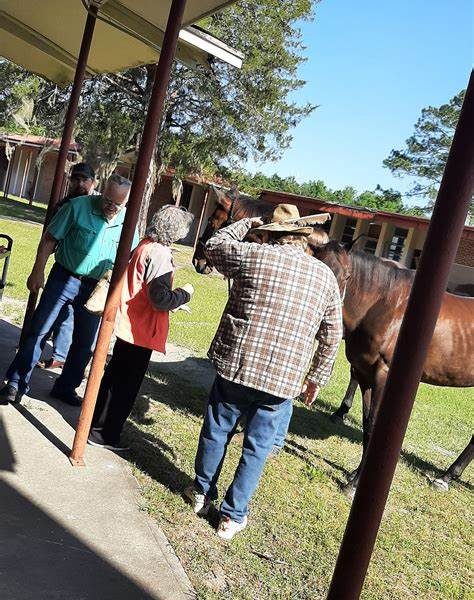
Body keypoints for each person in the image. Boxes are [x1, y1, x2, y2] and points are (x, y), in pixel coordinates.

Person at [184, 208, 343, 540]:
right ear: (302, 239)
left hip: (236, 366)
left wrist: (246, 223)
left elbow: (214, 244)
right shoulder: (324, 276)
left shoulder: (251, 255)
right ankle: (231, 516)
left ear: (271, 234)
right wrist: (316, 378)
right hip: (283, 380)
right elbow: (331, 334)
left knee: (217, 432)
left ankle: (201, 492)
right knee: (257, 447)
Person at [0, 174, 137, 407]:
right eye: (108, 200)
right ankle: (16, 382)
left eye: (117, 204)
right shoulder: (77, 207)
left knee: (86, 343)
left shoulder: (127, 222)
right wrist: (38, 270)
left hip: (95, 288)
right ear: (102, 192)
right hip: (64, 277)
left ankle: (66, 387)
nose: (111, 207)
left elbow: (128, 258)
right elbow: (49, 240)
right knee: (39, 329)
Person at [87, 205, 195, 450]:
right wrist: (184, 295)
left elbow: (145, 289)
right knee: (125, 385)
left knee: (115, 378)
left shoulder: (145, 245)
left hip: (130, 323)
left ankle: (96, 426)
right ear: (175, 230)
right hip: (139, 329)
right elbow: (160, 299)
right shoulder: (159, 254)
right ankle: (105, 434)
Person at [38, 162, 97, 370]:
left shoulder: (98, 207)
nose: (80, 183)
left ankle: (61, 355)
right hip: (63, 270)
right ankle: (55, 354)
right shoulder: (65, 205)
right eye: (76, 179)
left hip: (88, 278)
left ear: (93, 182)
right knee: (49, 319)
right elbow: (50, 238)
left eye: (84, 179)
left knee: (73, 323)